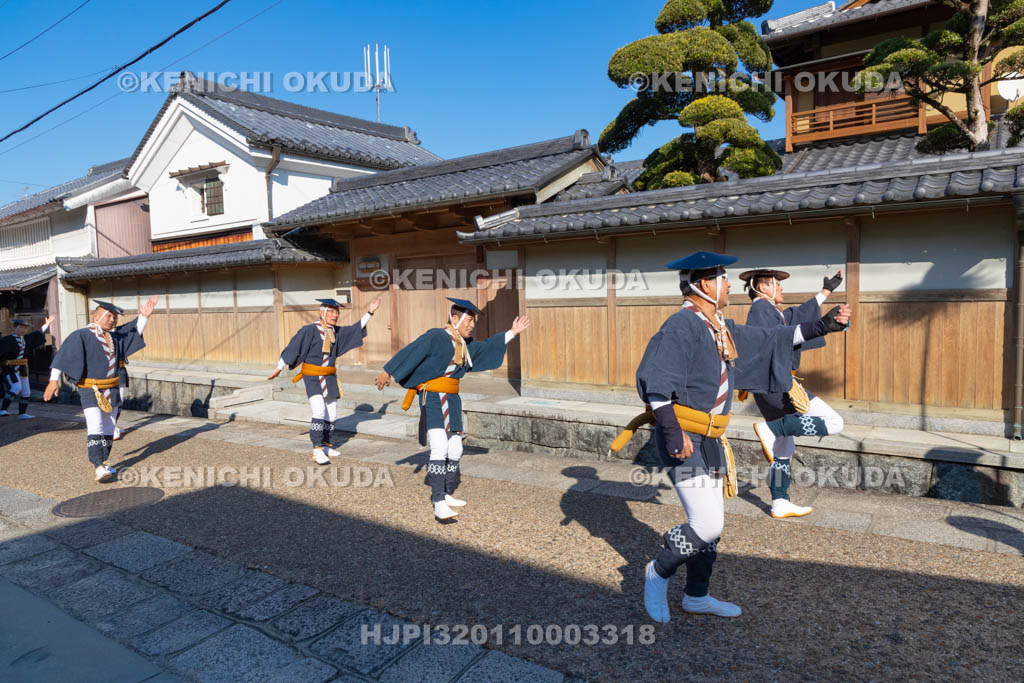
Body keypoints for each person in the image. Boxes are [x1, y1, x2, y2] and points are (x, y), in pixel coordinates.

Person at [619, 251, 849, 622]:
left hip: (712, 438)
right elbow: (657, 384)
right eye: (724, 279)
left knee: (712, 528)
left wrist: (824, 326)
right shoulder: (682, 325)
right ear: (705, 285)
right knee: (706, 524)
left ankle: (696, 596)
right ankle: (657, 572)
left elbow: (770, 338)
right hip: (684, 435)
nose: (728, 286)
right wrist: (673, 433)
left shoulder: (718, 326)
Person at [375, 297, 529, 521]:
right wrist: (388, 372)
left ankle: (446, 493)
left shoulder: (465, 345)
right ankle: (438, 501)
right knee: (439, 447)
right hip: (434, 398)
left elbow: (486, 348)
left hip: (453, 400)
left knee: (455, 448)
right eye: (469, 320)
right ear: (454, 319)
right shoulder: (436, 336)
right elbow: (411, 352)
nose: (472, 325)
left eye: (474, 322)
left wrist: (512, 333)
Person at [741, 268, 846, 519]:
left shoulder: (768, 311)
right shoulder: (760, 310)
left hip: (772, 384)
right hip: (775, 384)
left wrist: (825, 292)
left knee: (783, 449)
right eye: (777, 285)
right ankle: (772, 429)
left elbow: (795, 316)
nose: (782, 289)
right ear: (763, 288)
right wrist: (823, 324)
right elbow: (776, 337)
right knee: (834, 422)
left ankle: (779, 501)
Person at [43, 297, 159, 482]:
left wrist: (144, 316)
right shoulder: (81, 335)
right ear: (95, 316)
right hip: (91, 389)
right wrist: (53, 380)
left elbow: (132, 332)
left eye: (114, 317)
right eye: (108, 316)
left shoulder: (114, 337)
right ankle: (97, 465)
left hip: (111, 388)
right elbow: (64, 357)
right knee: (95, 424)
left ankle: (104, 460)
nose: (112, 320)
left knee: (109, 425)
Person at [268, 298, 381, 464]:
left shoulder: (336, 332)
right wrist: (279, 367)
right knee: (319, 411)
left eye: (337, 313)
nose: (335, 316)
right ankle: (317, 448)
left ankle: (327, 444)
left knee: (332, 413)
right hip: (313, 376)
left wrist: (370, 312)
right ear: (322, 313)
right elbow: (293, 348)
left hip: (329, 376)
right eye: (331, 312)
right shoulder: (309, 330)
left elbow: (355, 329)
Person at [0, 316, 53, 419]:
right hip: (10, 368)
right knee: (16, 387)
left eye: (25, 328)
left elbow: (38, 334)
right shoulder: (7, 340)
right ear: (15, 328)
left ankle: (22, 413)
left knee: (26, 391)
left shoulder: (26, 339)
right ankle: (3, 409)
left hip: (23, 368)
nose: (23, 330)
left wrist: (47, 324)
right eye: (21, 327)